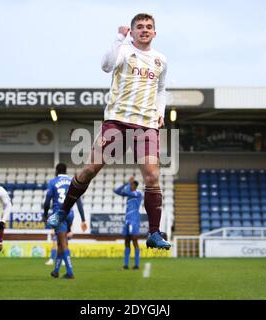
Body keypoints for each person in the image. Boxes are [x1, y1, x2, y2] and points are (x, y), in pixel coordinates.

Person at [47, 13, 171, 250]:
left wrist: (160, 111)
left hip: (147, 124)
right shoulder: (124, 50)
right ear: (132, 31)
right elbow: (105, 66)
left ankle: (154, 233)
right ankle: (63, 212)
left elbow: (161, 89)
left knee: (153, 177)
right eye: (139, 27)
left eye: (149, 27)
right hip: (118, 120)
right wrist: (118, 38)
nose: (144, 30)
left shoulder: (161, 60)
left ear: (154, 32)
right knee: (90, 169)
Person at [43, 163, 87, 279]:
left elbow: (47, 201)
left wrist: (45, 214)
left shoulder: (53, 182)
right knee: (60, 243)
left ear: (56, 171)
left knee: (63, 243)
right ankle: (56, 270)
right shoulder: (72, 181)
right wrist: (83, 219)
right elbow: (78, 202)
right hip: (70, 214)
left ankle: (70, 272)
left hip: (60, 214)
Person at [114, 176, 143, 270]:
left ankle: (137, 264)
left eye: (131, 184)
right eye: (130, 184)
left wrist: (128, 184)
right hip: (127, 220)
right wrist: (126, 183)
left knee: (134, 239)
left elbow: (126, 192)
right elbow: (116, 190)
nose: (130, 186)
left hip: (134, 219)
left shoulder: (138, 193)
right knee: (126, 241)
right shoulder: (129, 194)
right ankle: (126, 265)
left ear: (135, 186)